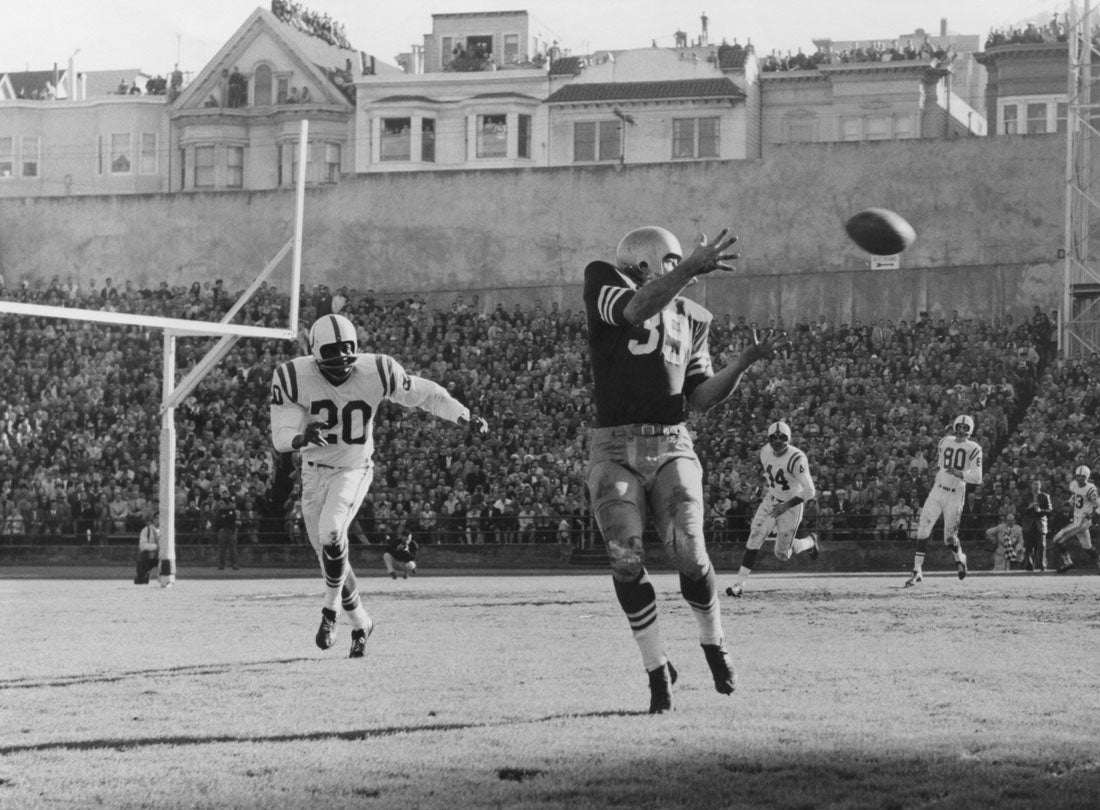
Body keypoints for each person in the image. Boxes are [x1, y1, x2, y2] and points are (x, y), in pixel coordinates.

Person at [583, 224, 784, 713]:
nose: (686, 268)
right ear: (646, 260)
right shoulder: (602, 277)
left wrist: (741, 365)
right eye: (675, 260)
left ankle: (714, 644)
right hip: (613, 445)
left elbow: (699, 398)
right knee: (625, 558)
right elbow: (634, 310)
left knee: (690, 550)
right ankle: (657, 673)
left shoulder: (693, 315)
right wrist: (691, 265)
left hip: (672, 441)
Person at [270, 313, 487, 658]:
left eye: (346, 360)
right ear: (315, 355)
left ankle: (329, 612)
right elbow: (280, 432)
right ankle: (361, 623)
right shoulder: (293, 376)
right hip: (314, 473)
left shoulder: (377, 370)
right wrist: (299, 437)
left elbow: (425, 394)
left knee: (331, 533)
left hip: (353, 468)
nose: (340, 368)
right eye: (331, 361)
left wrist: (463, 414)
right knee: (332, 557)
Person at [724, 421, 819, 598]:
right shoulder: (765, 452)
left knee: (782, 554)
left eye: (781, 437)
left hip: (791, 505)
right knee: (755, 536)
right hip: (771, 499)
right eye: (773, 438)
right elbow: (773, 475)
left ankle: (810, 542)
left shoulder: (796, 458)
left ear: (788, 439)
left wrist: (785, 506)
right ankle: (739, 584)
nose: (777, 441)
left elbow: (810, 491)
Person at [905, 415, 983, 586]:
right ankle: (917, 570)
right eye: (959, 427)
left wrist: (961, 473)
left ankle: (960, 557)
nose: (962, 431)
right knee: (923, 528)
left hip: (956, 494)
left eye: (965, 428)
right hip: (938, 490)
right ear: (955, 427)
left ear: (970, 430)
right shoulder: (945, 441)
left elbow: (977, 477)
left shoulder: (974, 447)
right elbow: (941, 465)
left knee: (949, 539)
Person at [1050, 465, 1100, 573]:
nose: (1079, 478)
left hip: (1081, 522)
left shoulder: (1090, 489)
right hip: (1079, 520)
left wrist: (1092, 515)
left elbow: (1099, 505)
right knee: (1087, 547)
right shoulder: (1074, 485)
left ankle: (1068, 562)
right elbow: (1076, 496)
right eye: (1078, 476)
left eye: (1082, 476)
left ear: (1086, 476)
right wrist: (1070, 501)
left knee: (1057, 539)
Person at [1018, 478, 1052, 571]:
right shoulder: (1026, 496)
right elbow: (1020, 509)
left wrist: (1040, 510)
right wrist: (1029, 508)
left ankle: (1042, 565)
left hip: (1040, 523)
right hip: (1028, 524)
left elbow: (1050, 510)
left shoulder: (1045, 496)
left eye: (1038, 484)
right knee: (1028, 546)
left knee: (1042, 545)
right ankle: (1029, 565)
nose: (1036, 486)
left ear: (1040, 486)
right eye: (1034, 484)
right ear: (1031, 486)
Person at [215, 490, 240, 570]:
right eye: (223, 494)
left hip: (231, 530)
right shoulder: (219, 507)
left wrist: (225, 517)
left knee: (233, 549)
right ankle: (221, 565)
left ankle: (235, 564)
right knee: (222, 549)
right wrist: (226, 517)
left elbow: (232, 517)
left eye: (226, 494)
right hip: (223, 530)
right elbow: (219, 520)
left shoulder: (231, 505)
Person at [134, 519, 159, 584]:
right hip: (148, 556)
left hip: (161, 556)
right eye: (156, 517)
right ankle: (142, 578)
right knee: (143, 556)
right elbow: (142, 546)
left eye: (161, 517)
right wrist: (156, 547)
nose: (159, 519)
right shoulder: (146, 530)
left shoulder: (168, 530)